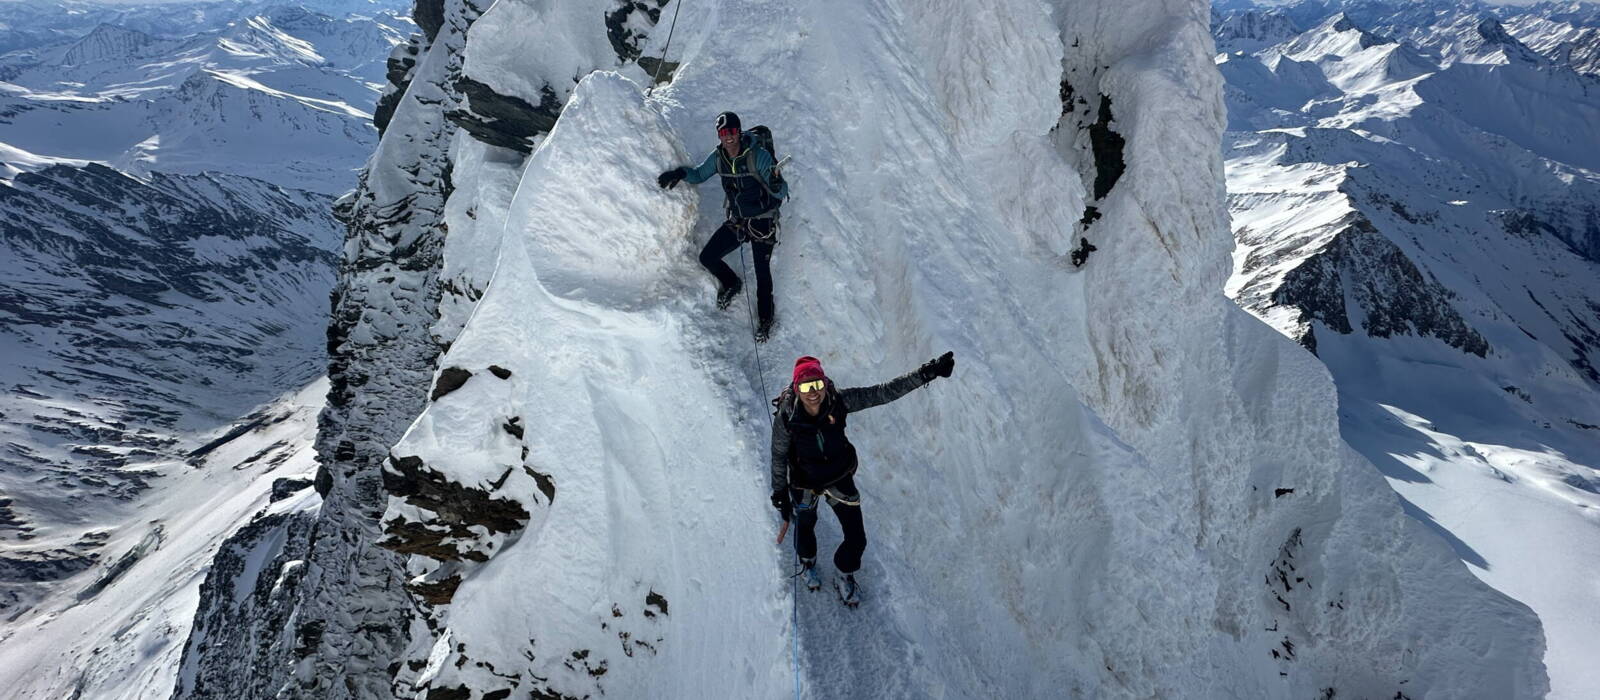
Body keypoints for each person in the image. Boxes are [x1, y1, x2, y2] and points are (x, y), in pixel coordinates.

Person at [769, 351, 956, 606]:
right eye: (805, 385)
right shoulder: (787, 416)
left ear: (825, 383)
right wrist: (780, 492)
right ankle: (807, 561)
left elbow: (882, 392)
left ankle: (843, 571)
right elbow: (778, 454)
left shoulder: (839, 401)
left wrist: (926, 373)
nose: (813, 392)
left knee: (857, 537)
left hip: (838, 476)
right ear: (796, 387)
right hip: (804, 481)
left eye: (817, 384)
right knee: (804, 526)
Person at [657, 111, 788, 342]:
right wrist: (680, 174)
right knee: (707, 257)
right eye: (723, 133)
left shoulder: (758, 156)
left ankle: (765, 319)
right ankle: (731, 282)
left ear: (739, 131)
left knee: (762, 274)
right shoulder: (718, 158)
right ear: (719, 135)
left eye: (732, 131)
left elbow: (781, 191)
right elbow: (698, 174)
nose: (728, 137)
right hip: (738, 221)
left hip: (762, 222)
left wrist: (776, 182)